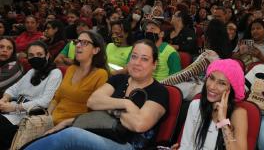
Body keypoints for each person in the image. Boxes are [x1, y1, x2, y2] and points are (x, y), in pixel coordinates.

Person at [24, 39, 169, 150]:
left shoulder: (159, 91)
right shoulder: (119, 79)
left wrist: (109, 106)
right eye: (134, 56)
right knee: (55, 133)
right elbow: (93, 101)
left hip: (128, 145)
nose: (137, 63)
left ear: (154, 64)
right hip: (101, 132)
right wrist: (126, 104)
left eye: (144, 59)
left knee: (71, 135)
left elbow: (139, 125)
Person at [173, 59, 247, 150]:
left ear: (231, 90)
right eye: (211, 78)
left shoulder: (238, 114)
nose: (212, 87)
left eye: (222, 83)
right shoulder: (195, 105)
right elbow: (186, 145)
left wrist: (223, 120)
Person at [0, 41, 62, 149]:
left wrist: (15, 107)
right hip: (12, 111)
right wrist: (4, 98)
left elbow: (45, 101)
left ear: (47, 55)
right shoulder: (32, 71)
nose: (35, 58)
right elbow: (13, 88)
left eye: (39, 54)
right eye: (31, 55)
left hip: (27, 118)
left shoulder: (55, 73)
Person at [45, 31, 109, 133]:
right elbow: (57, 98)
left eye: (84, 43)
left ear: (96, 50)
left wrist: (65, 123)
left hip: (74, 128)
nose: (78, 45)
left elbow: (97, 113)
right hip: (52, 122)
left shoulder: (101, 74)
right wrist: (45, 119)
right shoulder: (71, 69)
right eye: (77, 42)